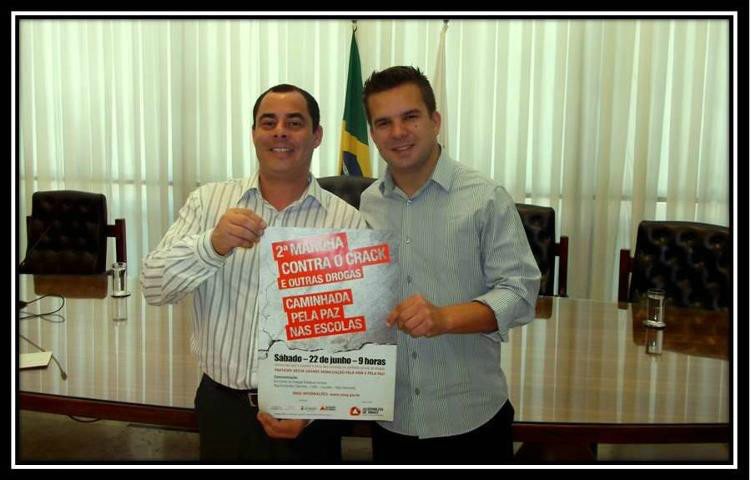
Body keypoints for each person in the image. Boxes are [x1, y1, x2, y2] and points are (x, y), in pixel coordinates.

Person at [141, 84, 367, 463]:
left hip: (309, 411)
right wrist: (211, 245)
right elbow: (153, 286)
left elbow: (357, 334)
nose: (280, 132)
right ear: (254, 134)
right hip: (224, 408)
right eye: (268, 122)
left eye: (294, 123)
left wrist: (312, 408)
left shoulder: (348, 221)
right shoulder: (208, 202)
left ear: (316, 135)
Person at [358, 66, 541, 464]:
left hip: (470, 417)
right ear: (372, 133)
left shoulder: (485, 197)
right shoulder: (367, 204)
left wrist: (444, 318)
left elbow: (521, 293)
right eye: (384, 123)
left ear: (435, 120)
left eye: (410, 116)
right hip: (391, 417)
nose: (398, 132)